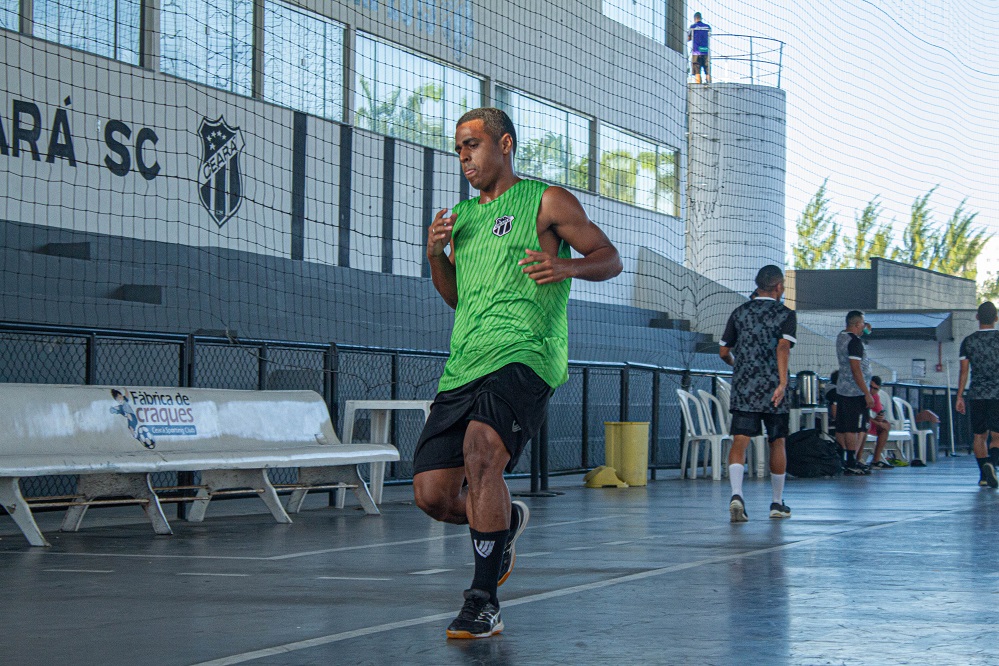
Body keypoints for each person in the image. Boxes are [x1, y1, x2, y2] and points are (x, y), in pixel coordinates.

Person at [414, 107, 622, 639]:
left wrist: (567, 266)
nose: (463, 157)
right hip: (466, 361)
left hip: (527, 355)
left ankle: (483, 599)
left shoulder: (547, 201)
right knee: (432, 495)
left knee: (483, 451)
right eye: (458, 148)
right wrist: (437, 255)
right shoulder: (461, 219)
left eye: (472, 145)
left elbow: (609, 256)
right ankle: (502, 526)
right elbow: (456, 298)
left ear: (504, 144)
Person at [719, 264, 796, 522]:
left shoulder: (739, 313)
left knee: (740, 440)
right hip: (773, 387)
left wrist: (737, 366)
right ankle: (776, 502)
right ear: (778, 287)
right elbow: (783, 347)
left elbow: (723, 352)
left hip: (744, 386)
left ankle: (737, 494)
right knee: (777, 441)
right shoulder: (785, 314)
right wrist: (782, 383)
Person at [955, 301, 999, 488]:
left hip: (977, 393)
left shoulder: (968, 341)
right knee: (997, 436)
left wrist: (959, 396)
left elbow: (964, 371)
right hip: (998, 394)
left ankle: (983, 475)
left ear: (977, 317)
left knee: (979, 435)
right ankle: (992, 464)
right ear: (996, 318)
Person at [835, 311, 875, 475]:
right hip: (855, 391)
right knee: (855, 427)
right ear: (858, 325)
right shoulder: (854, 342)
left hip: (843, 388)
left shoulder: (841, 336)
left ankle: (845, 459)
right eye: (863, 324)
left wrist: (866, 331)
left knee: (844, 427)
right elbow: (856, 369)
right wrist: (867, 393)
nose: (864, 326)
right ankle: (852, 461)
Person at [866, 376, 894, 469]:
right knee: (865, 427)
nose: (872, 390)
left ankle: (876, 460)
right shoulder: (863, 394)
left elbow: (878, 412)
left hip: (869, 422)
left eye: (875, 389)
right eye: (870, 387)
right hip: (860, 422)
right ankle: (857, 459)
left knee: (885, 427)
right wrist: (878, 423)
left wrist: (880, 418)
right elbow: (864, 415)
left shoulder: (876, 397)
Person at [687, 12, 712, 84]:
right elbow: (709, 35)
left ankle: (698, 85)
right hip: (706, 51)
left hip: (696, 52)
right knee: (707, 70)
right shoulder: (707, 27)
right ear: (701, 18)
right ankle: (709, 83)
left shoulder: (692, 27)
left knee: (697, 70)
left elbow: (688, 38)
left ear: (695, 18)